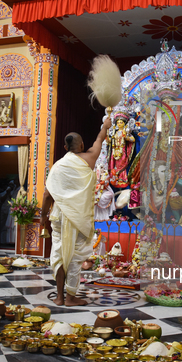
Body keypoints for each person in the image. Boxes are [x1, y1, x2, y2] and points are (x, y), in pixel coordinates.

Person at [41, 117, 112, 306]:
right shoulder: (89, 158)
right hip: (78, 219)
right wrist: (105, 126)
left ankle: (59, 297)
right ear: (81, 144)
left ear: (65, 148)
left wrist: (42, 216)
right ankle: (71, 297)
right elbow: (99, 140)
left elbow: (48, 194)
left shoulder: (58, 167)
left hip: (58, 216)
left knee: (59, 254)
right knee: (74, 257)